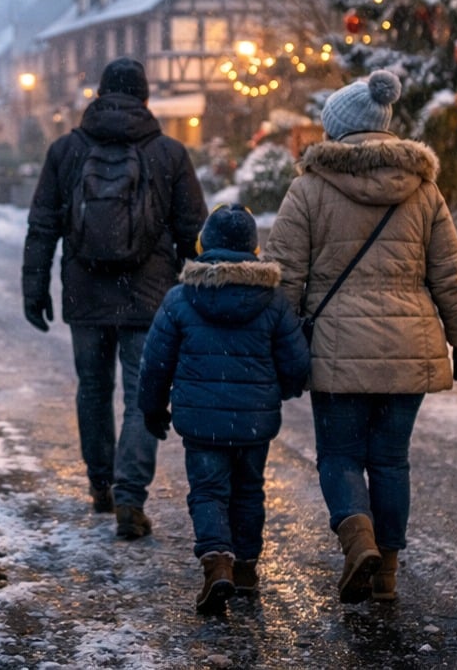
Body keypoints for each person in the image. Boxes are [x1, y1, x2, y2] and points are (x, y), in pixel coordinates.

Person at [260, 69, 457, 604]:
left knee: (339, 455)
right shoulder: (424, 190)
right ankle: (385, 571)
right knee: (390, 459)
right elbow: (449, 274)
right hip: (409, 346)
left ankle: (355, 534)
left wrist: (278, 344)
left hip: (335, 348)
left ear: (336, 128)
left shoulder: (309, 188)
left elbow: (284, 275)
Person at [21, 56, 207, 539]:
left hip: (85, 292)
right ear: (145, 98)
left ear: (99, 94)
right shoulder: (169, 153)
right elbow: (194, 232)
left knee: (93, 388)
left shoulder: (66, 150)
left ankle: (100, 483)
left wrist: (34, 287)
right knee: (142, 395)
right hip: (148, 296)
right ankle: (130, 496)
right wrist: (200, 292)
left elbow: (43, 225)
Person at [137, 204, 310, 613]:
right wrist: (280, 390)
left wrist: (152, 407)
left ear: (204, 245)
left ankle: (217, 564)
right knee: (249, 491)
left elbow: (156, 361)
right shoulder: (272, 301)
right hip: (254, 420)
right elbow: (297, 362)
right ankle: (246, 567)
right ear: (254, 250)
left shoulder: (180, 298)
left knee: (209, 491)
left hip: (201, 422)